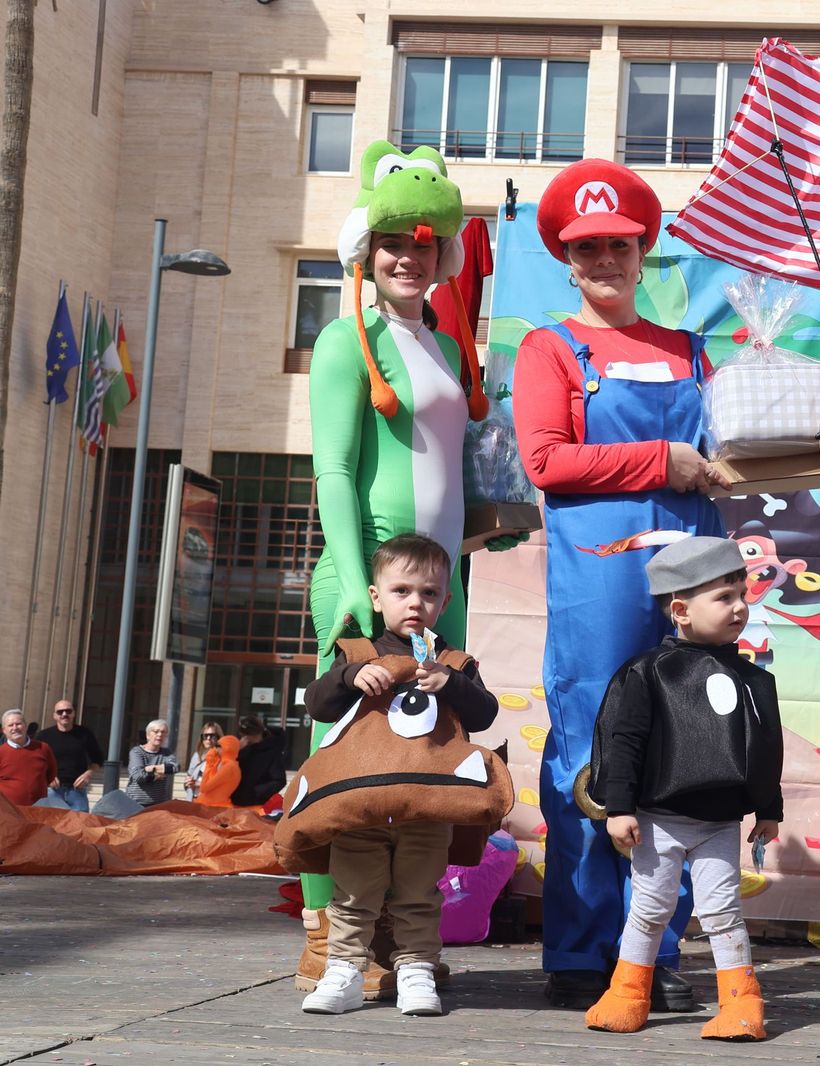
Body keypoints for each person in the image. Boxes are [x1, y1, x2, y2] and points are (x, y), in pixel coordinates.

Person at [512, 158, 729, 1012]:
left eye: (620, 245)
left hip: (693, 579)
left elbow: (737, 456)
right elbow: (545, 461)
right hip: (600, 587)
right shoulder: (548, 346)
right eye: (588, 246)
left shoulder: (693, 351)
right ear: (569, 259)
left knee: (682, 760)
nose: (605, 258)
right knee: (593, 755)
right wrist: (661, 460)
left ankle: (652, 954)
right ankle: (578, 949)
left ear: (646, 251)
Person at [301, 137, 492, 991]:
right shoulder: (348, 339)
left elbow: (451, 468)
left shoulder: (449, 350)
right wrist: (354, 588)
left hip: (441, 583)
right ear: (365, 252)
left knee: (427, 750)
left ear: (440, 252)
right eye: (392, 245)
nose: (408, 258)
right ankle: (325, 940)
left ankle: (398, 941)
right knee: (343, 751)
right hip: (366, 583)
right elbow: (334, 470)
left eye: (421, 245)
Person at [583, 536, 783, 1040]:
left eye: (742, 593)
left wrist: (769, 809)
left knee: (722, 910)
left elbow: (765, 747)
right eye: (724, 597)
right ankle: (627, 993)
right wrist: (619, 807)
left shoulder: (753, 679)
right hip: (657, 819)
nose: (740, 606)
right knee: (650, 907)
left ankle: (741, 1004)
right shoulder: (647, 672)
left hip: (719, 822)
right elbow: (625, 742)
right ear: (681, 610)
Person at [298, 533, 499, 1017]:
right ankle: (344, 968)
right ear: (375, 596)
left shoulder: (454, 661)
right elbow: (316, 703)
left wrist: (451, 686)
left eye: (428, 594)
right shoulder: (357, 651)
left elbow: (487, 713)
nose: (415, 603)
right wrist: (350, 678)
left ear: (445, 601)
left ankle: (415, 969)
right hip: (360, 805)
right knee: (353, 892)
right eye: (402, 591)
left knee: (419, 893)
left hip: (426, 808)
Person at [36, 700, 104, 811]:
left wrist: (88, 773)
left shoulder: (85, 733)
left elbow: (98, 758)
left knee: (80, 826)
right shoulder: (44, 736)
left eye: (68, 711)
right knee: (50, 826)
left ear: (73, 713)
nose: (64, 714)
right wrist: (47, 776)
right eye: (60, 712)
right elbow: (36, 761)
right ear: (54, 716)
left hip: (77, 791)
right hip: (52, 791)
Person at [0, 708, 57, 807]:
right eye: (10, 725)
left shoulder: (43, 748)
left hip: (39, 809)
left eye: (18, 724)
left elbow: (51, 774)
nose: (15, 728)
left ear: (26, 726)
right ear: (4, 730)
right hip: (8, 811)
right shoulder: (1, 752)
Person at [231, 714, 287, 808]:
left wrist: (256, 791)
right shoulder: (241, 748)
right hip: (235, 802)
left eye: (248, 735)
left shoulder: (271, 751)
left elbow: (279, 780)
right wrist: (236, 751)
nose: (245, 738)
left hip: (258, 804)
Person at [125, 719, 180, 807]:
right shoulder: (137, 752)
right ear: (148, 735)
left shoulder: (167, 753)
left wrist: (150, 768)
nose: (160, 735)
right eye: (156, 731)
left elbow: (175, 767)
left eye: (163, 732)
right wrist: (156, 776)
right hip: (136, 804)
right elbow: (138, 776)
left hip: (159, 804)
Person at [186, 722, 223, 800]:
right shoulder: (196, 756)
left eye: (212, 736)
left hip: (211, 802)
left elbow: (221, 783)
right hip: (194, 799)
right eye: (205, 736)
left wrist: (200, 784)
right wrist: (188, 782)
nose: (208, 739)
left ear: (218, 738)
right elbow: (189, 776)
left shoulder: (222, 758)